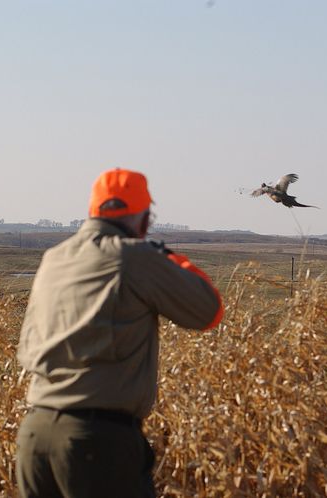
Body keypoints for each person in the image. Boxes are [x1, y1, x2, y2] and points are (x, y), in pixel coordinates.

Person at [16, 168, 224, 498]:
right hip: (96, 443)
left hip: (34, 438)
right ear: (143, 217)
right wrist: (167, 257)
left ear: (93, 211)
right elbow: (208, 311)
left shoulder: (54, 259)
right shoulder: (135, 256)